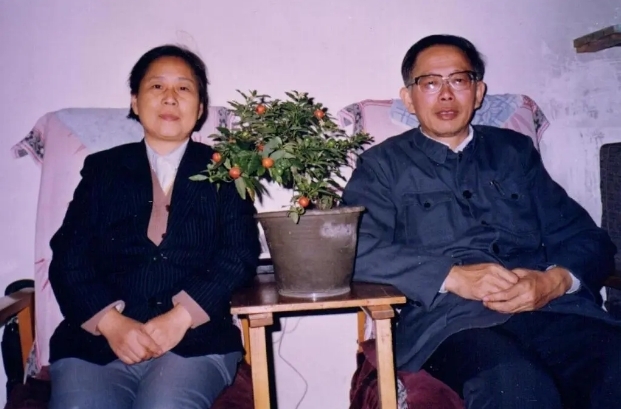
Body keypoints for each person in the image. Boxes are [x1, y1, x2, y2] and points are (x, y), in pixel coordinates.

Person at [342, 34, 621, 409]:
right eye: (430, 83)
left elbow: (587, 238)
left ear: (478, 92)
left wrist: (554, 281)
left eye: (459, 80)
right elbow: (354, 248)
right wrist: (452, 276)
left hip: (549, 310)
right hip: (450, 322)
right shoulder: (382, 166)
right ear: (408, 98)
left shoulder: (514, 152)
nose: (446, 95)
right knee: (518, 386)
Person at [47, 44, 260, 409]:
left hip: (195, 342)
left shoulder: (226, 171)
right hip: (96, 345)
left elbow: (240, 254)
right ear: (135, 101)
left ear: (201, 108)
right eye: (157, 86)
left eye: (184, 88)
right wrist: (111, 324)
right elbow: (68, 258)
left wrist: (180, 318)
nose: (170, 98)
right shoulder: (102, 170)